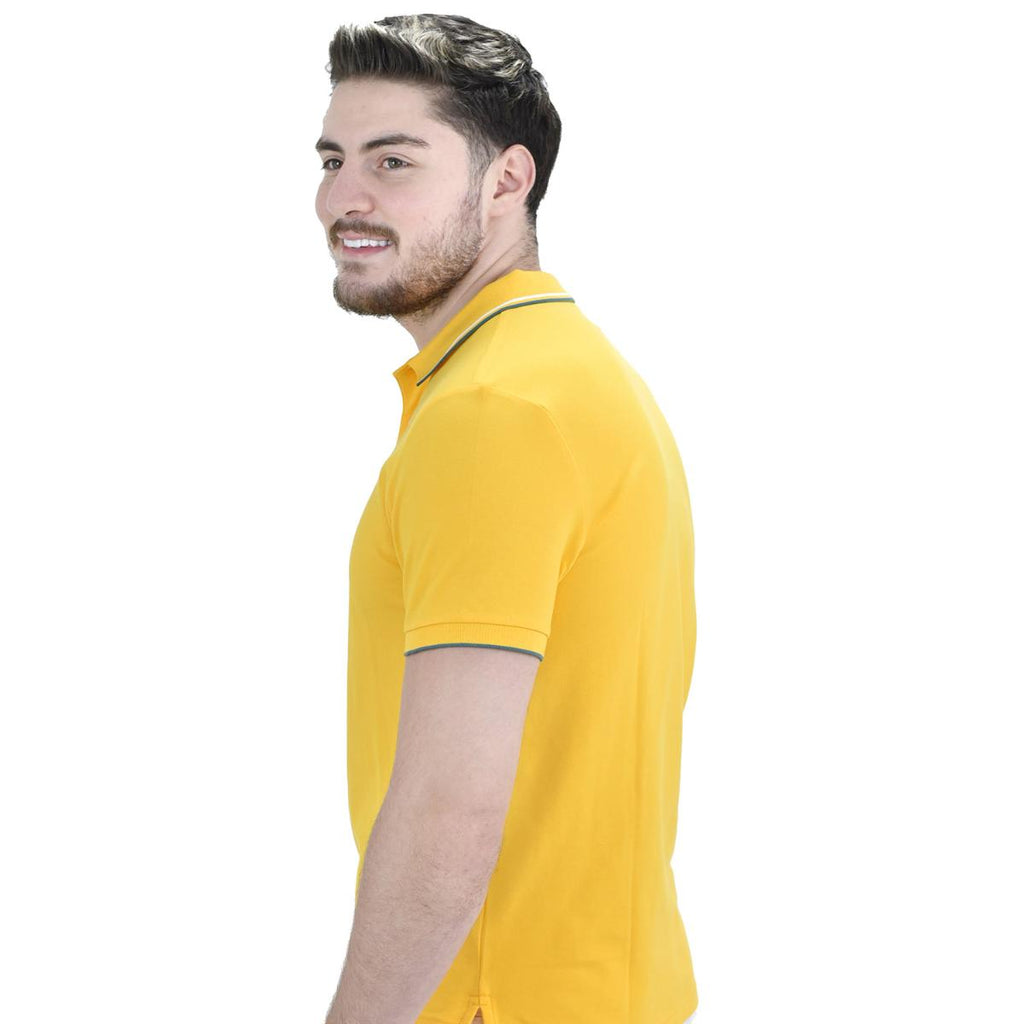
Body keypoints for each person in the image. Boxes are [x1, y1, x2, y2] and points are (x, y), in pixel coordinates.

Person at [314, 15, 698, 1024]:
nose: (342, 198)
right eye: (333, 159)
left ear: (505, 180)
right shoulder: (567, 375)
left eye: (394, 161)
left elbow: (450, 803)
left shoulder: (495, 410)